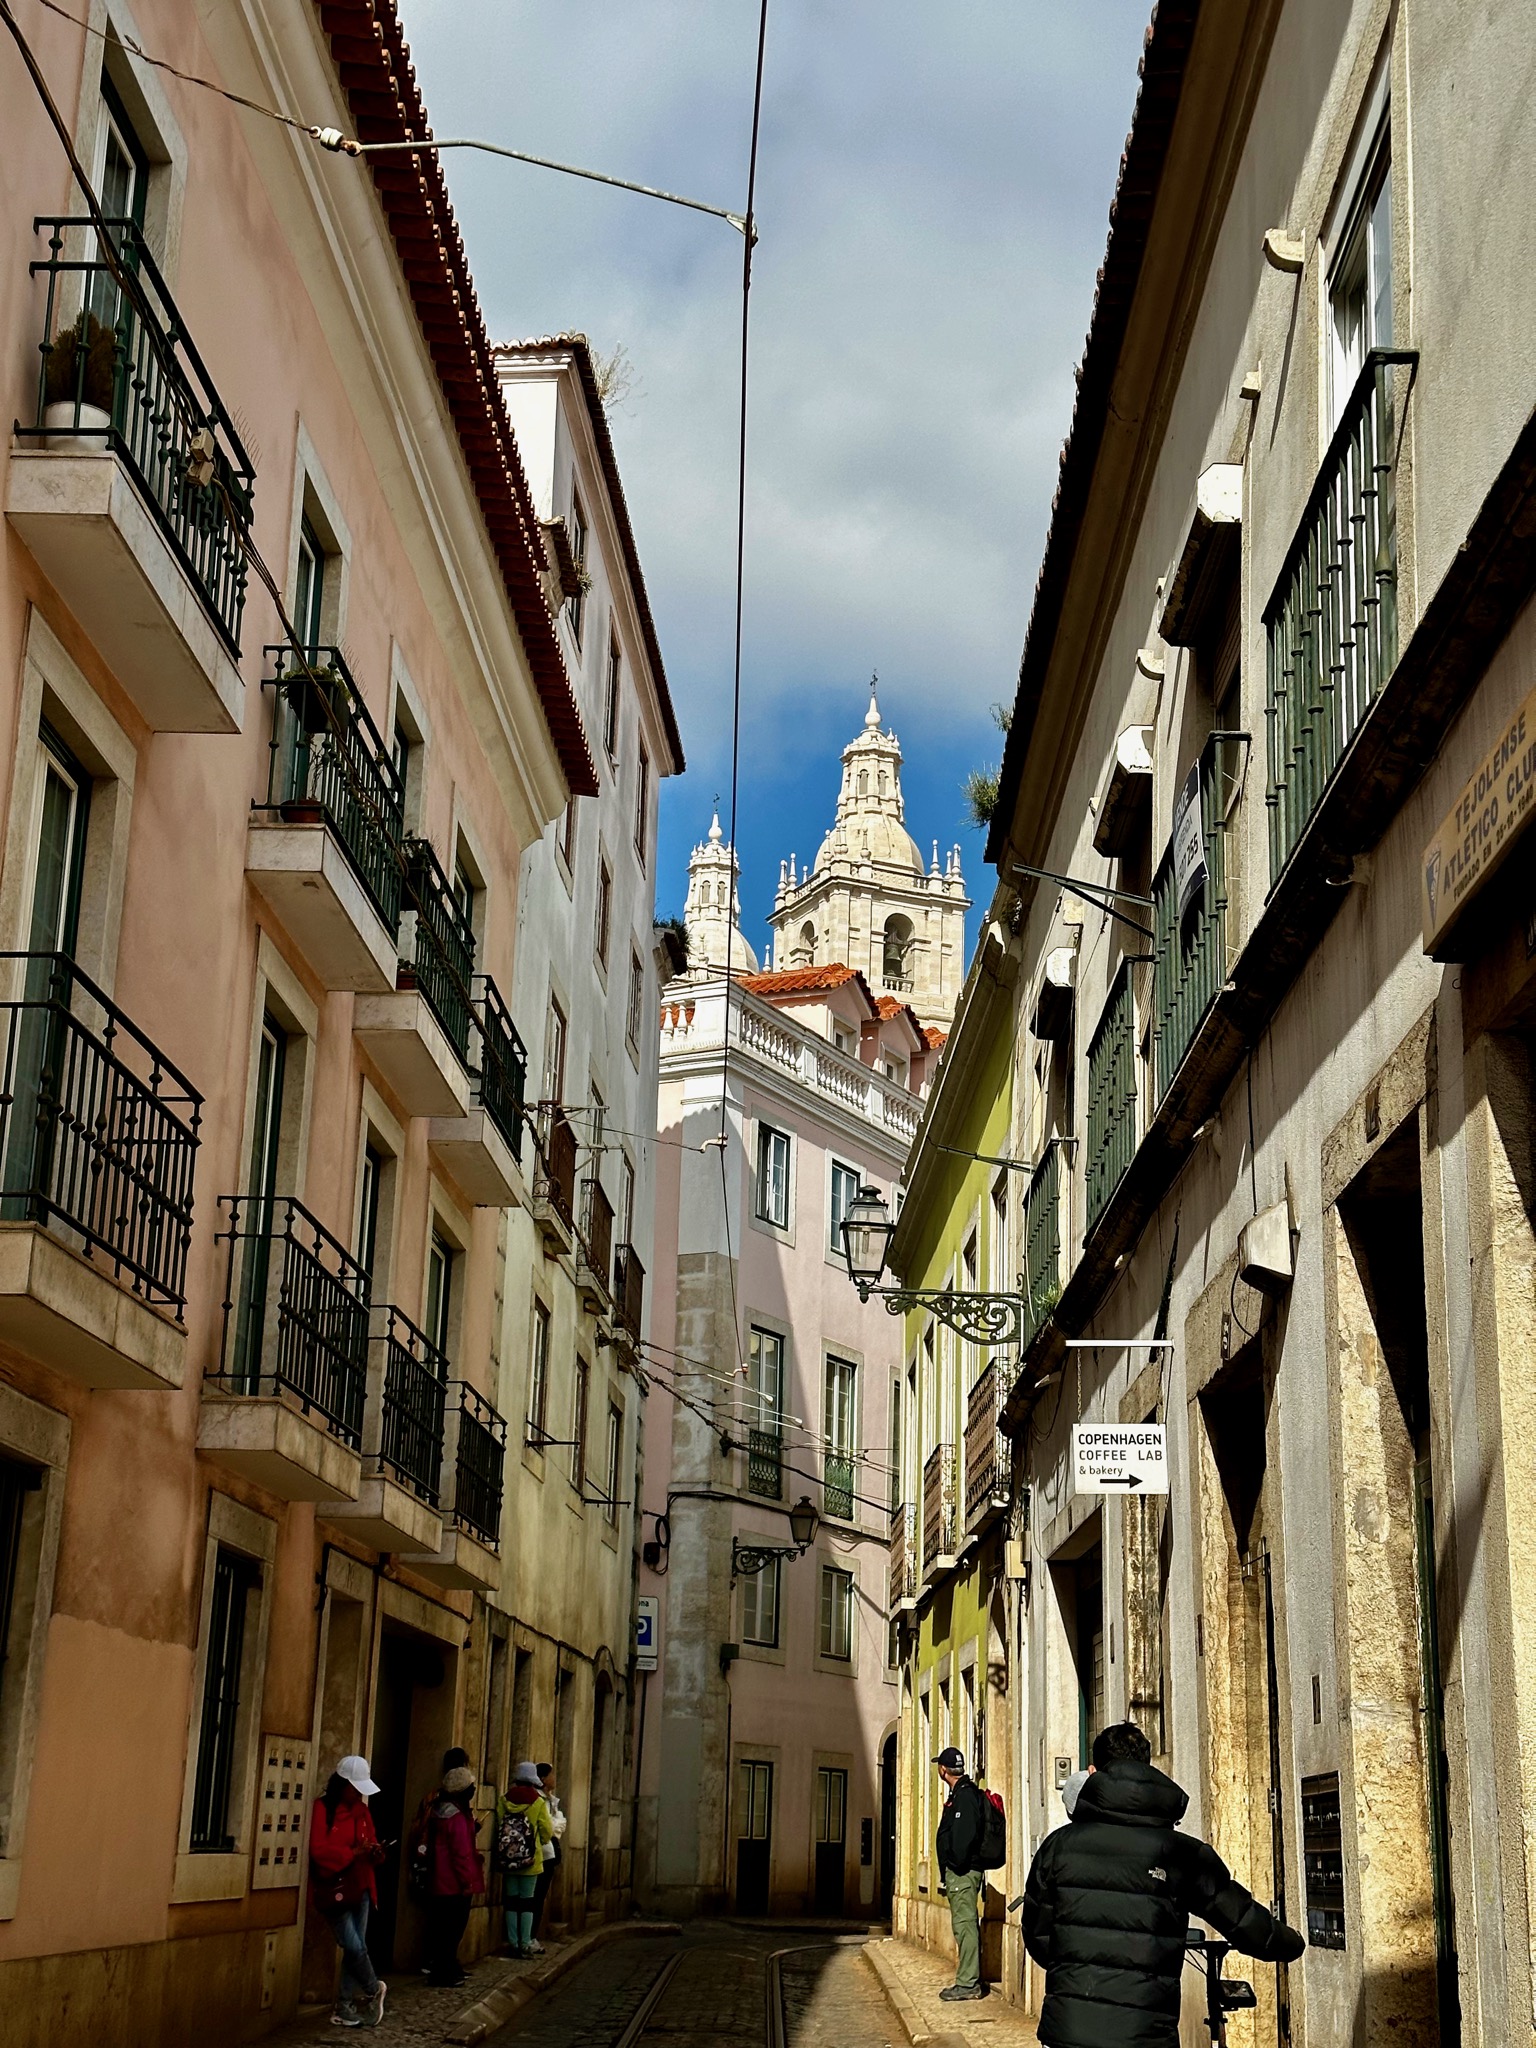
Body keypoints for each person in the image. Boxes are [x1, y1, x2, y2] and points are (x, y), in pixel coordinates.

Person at [1021, 1722, 1306, 2047]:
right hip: (1144, 2034)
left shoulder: (1058, 1847)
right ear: (1147, 1766)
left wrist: (1079, 1970)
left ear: (1093, 1771)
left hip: (1068, 2031)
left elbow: (1037, 1933)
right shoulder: (1182, 1853)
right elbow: (1243, 1921)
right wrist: (1292, 1943)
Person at [309, 1754, 388, 2030]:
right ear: (343, 1785)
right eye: (356, 1789)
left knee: (354, 1950)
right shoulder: (323, 1809)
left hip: (362, 1885)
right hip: (336, 1888)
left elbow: (372, 1841)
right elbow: (318, 1849)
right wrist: (352, 1852)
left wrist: (376, 1852)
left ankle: (344, 2005)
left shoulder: (363, 1812)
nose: (359, 1795)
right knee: (354, 1946)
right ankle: (372, 1988)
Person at [933, 1744, 989, 2004]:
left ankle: (968, 1983)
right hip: (961, 1872)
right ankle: (968, 1979)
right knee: (964, 1925)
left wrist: (954, 1864)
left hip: (963, 1872)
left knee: (965, 1926)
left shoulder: (965, 1796)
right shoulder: (961, 1794)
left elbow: (963, 1837)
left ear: (943, 1770)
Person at [421, 1763, 485, 1987]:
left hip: (439, 1880)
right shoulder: (456, 1816)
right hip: (453, 1883)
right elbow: (460, 1854)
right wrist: (467, 1882)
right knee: (452, 1930)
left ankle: (446, 1968)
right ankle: (444, 1972)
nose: (474, 1790)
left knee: (442, 1928)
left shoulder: (440, 1811)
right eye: (471, 1786)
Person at [497, 1761, 554, 1958]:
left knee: (511, 1902)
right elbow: (547, 1830)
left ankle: (512, 1942)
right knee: (527, 1902)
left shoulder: (504, 1800)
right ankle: (525, 1943)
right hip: (531, 1860)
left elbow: (499, 1824)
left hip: (508, 1859)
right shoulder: (537, 1802)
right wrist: (539, 1840)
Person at [531, 1762, 566, 1942]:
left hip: (550, 1852)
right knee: (536, 1897)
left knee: (540, 1896)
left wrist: (557, 1823)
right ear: (543, 1778)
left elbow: (558, 1827)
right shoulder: (539, 1799)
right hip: (542, 1853)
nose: (554, 1778)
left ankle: (532, 1936)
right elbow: (553, 1828)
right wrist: (558, 1822)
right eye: (551, 1775)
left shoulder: (551, 1799)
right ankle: (530, 1937)